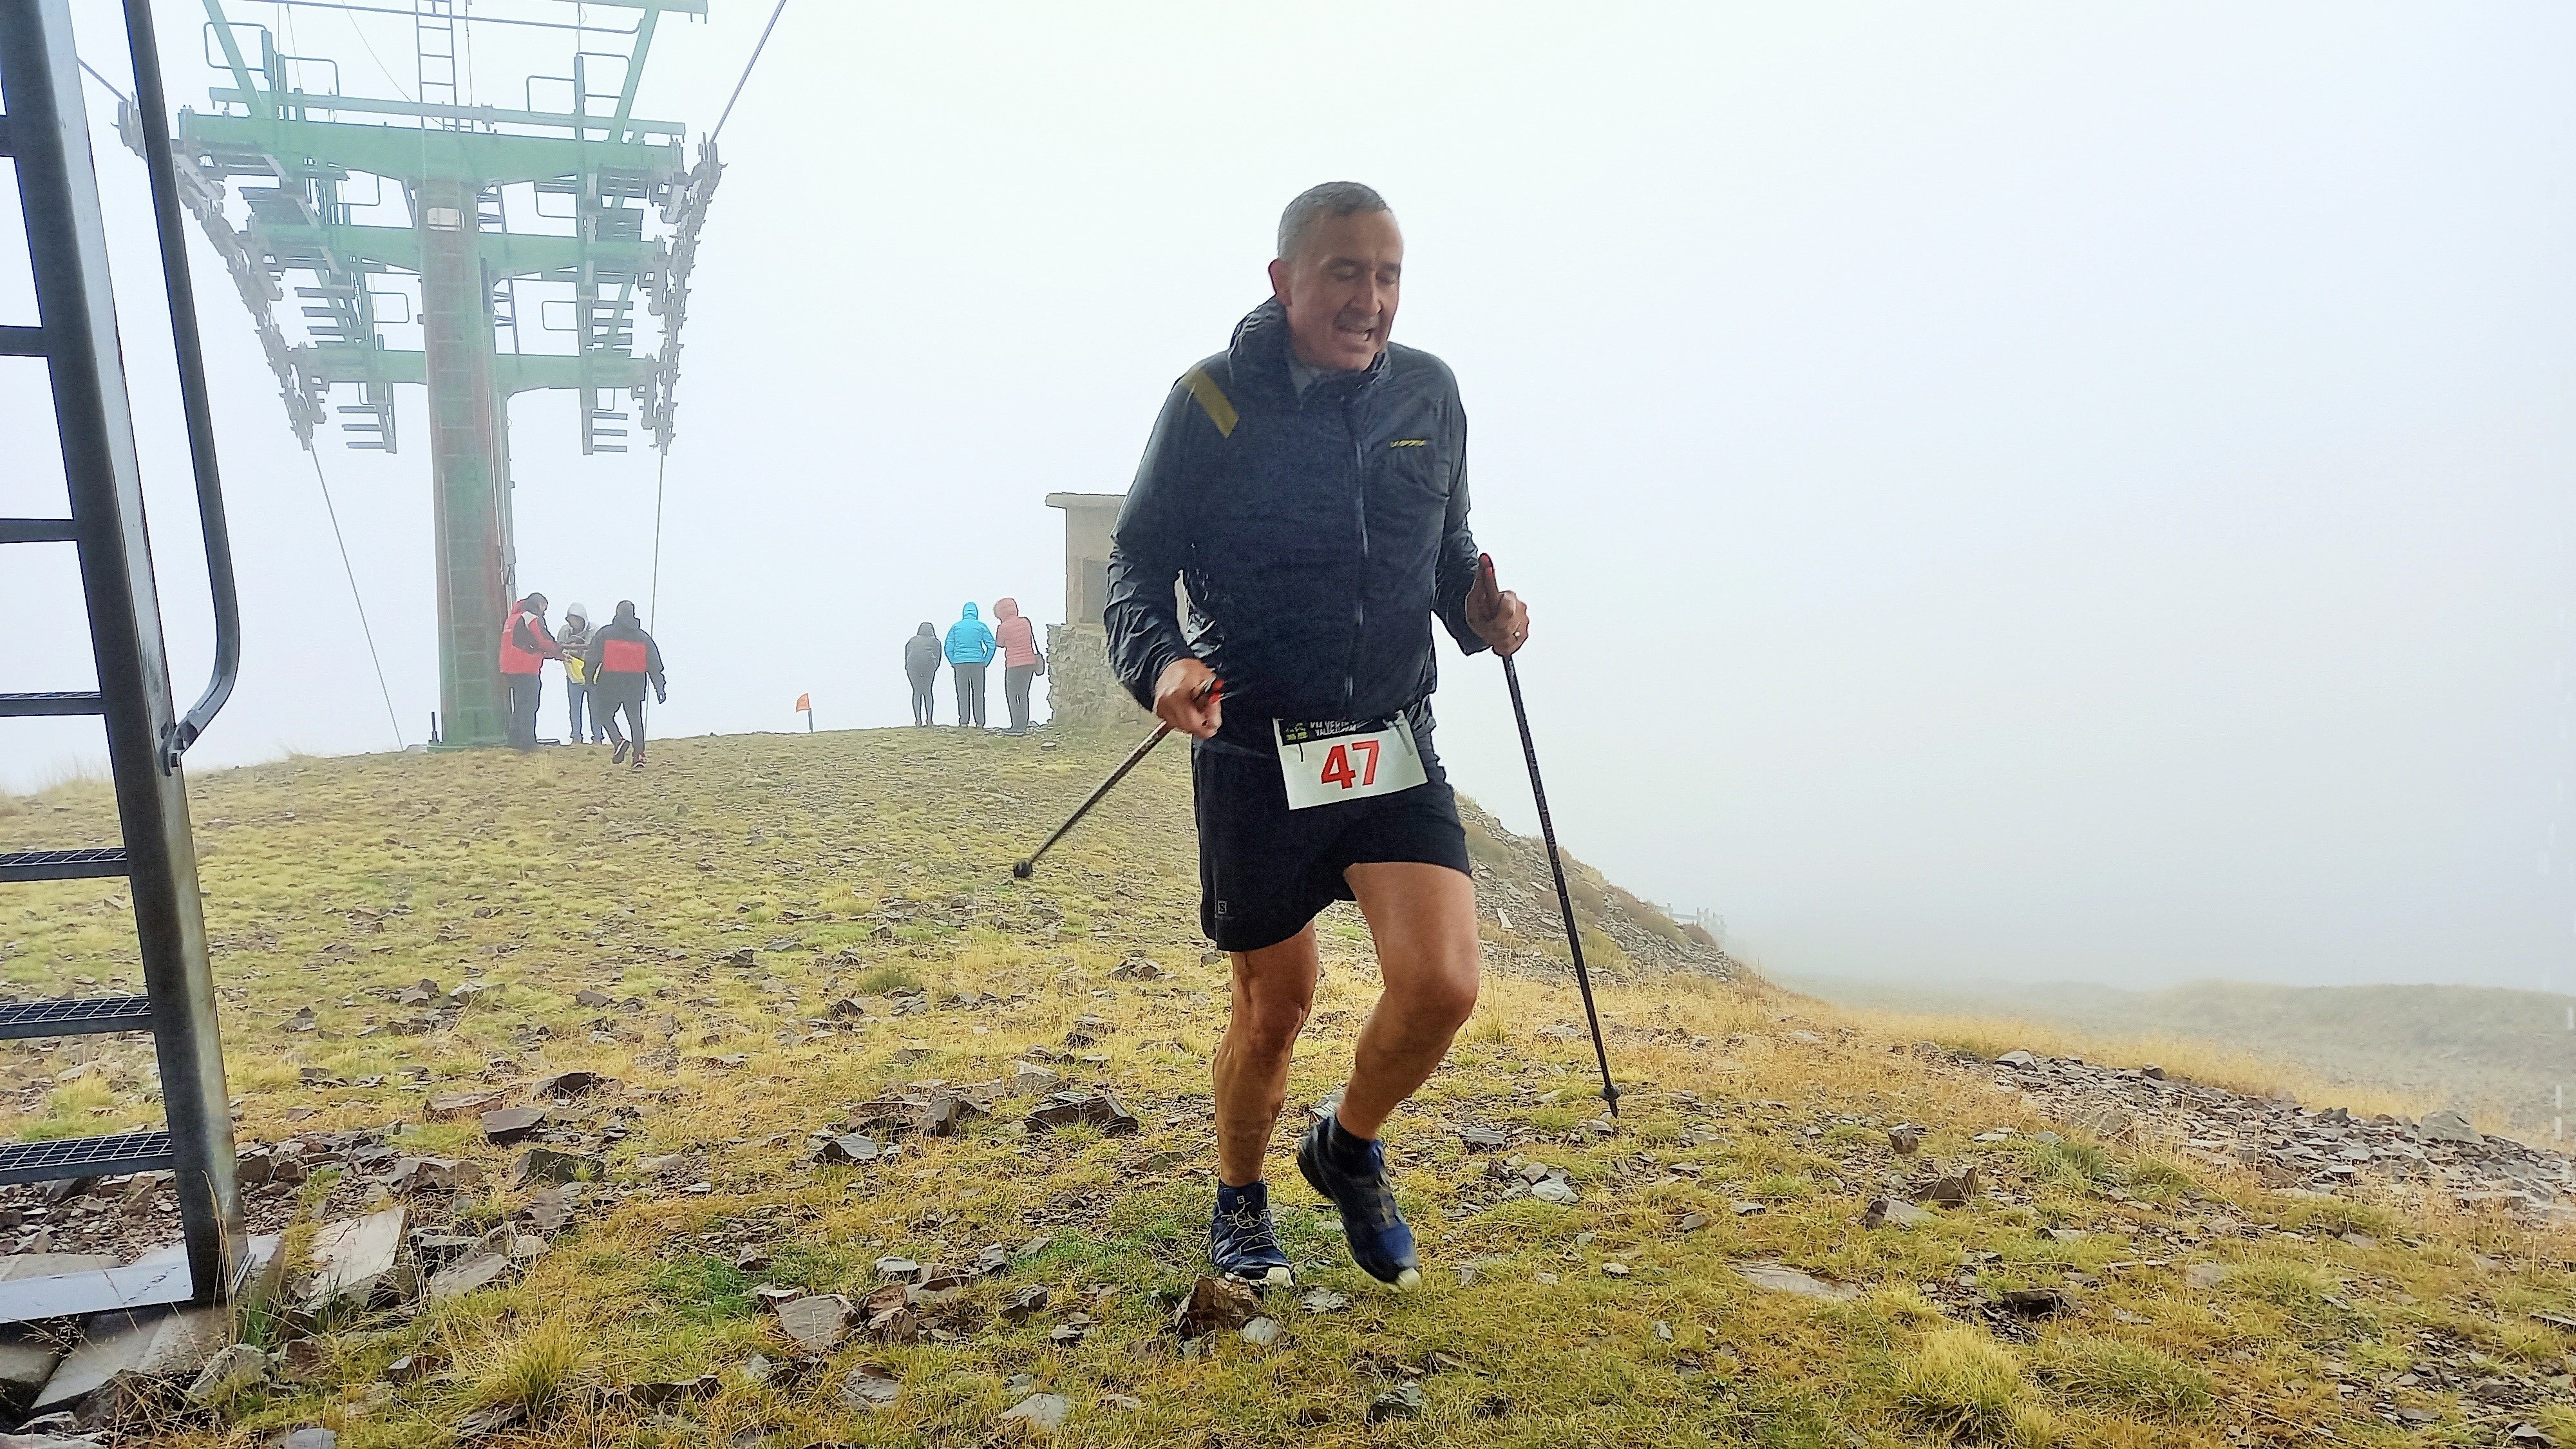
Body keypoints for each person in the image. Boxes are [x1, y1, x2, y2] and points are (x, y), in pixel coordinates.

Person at [1104, 182, 1528, 1291]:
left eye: (1388, 275)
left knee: (1442, 985)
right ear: (1284, 279)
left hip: (1390, 736)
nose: (1370, 299)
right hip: (1256, 748)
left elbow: (1448, 551)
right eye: (1346, 272)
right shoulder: (1209, 403)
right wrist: (1162, 665)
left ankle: (1345, 1146)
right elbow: (1136, 564)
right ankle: (1239, 1199)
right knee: (1274, 1010)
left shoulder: (1430, 391)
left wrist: (1480, 614)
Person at [582, 600, 668, 768]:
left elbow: (592, 659)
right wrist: (659, 687)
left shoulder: (605, 634)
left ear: (617, 613)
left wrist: (589, 680)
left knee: (604, 715)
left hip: (610, 681)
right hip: (635, 683)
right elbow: (655, 665)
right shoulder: (644, 638)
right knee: (635, 720)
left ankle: (618, 740)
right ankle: (639, 756)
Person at [497, 592, 562, 751]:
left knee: (520, 704)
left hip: (509, 666)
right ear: (540, 604)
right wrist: (558, 651)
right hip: (526, 666)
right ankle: (528, 742)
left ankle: (514, 739)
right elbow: (543, 640)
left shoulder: (512, 618)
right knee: (529, 705)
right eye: (544, 608)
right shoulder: (531, 617)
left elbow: (526, 642)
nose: (544, 612)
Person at [992, 598, 1045, 735]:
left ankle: (1016, 726)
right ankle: (1023, 724)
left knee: (1012, 695)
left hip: (1014, 665)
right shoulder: (1025, 622)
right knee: (1023, 694)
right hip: (1029, 663)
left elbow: (999, 643)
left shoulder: (1003, 627)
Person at [943, 601, 997, 729]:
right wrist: (986, 661)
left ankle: (963, 721)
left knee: (962, 693)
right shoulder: (981, 626)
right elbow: (992, 645)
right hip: (978, 664)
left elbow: (948, 647)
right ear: (976, 613)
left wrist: (953, 661)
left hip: (960, 664)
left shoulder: (956, 627)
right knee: (978, 693)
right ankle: (980, 722)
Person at [558, 603, 602, 745]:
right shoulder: (565, 631)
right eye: (571, 619)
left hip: (593, 674)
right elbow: (559, 647)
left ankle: (597, 737)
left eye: (577, 619)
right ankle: (576, 737)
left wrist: (571, 648)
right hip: (574, 675)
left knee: (595, 707)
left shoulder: (594, 630)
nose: (574, 623)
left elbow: (595, 649)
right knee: (575, 708)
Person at [904, 622, 943, 726]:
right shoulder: (935, 642)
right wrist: (934, 668)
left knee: (917, 691)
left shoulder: (912, 641)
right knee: (927, 691)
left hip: (912, 667)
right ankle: (929, 720)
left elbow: (907, 655)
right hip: (928, 666)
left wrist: (907, 667)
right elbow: (938, 658)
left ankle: (918, 720)